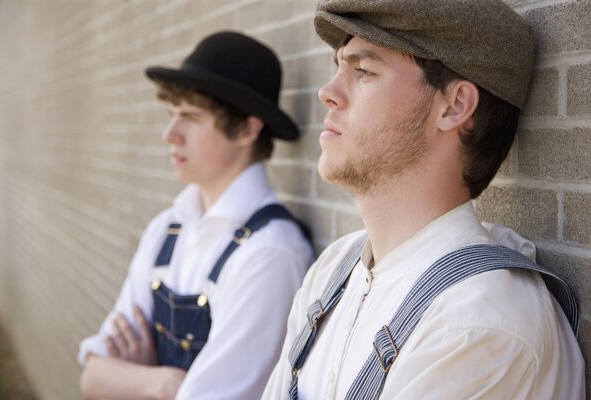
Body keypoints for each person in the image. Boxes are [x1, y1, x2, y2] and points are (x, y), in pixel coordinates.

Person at [262, 1, 585, 399]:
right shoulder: (334, 271)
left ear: (455, 106)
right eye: (338, 66)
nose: (328, 93)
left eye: (363, 71)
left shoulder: (478, 319)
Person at [78, 31, 313, 400]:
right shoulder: (166, 229)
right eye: (171, 115)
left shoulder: (269, 253)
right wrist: (163, 385)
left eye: (190, 117)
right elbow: (91, 376)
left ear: (247, 129)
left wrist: (134, 378)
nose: (169, 134)